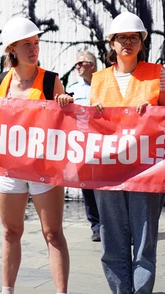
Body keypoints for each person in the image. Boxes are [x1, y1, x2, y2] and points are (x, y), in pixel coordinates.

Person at [0, 16, 73, 294]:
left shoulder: (50, 80)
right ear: (11, 48)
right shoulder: (0, 81)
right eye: (26, 44)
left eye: (36, 43)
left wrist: (65, 103)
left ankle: (61, 292)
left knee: (53, 233)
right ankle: (7, 290)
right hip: (8, 168)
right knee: (11, 232)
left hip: (44, 168)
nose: (34, 48)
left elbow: (66, 120)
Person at [90, 11, 165, 294]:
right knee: (112, 239)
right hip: (108, 170)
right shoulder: (98, 79)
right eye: (122, 37)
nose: (128, 42)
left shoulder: (157, 73)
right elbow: (88, 121)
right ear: (111, 43)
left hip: (146, 169)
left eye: (133, 37)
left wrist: (156, 112)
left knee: (145, 239)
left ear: (141, 42)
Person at [65, 51, 101, 242]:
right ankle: (96, 227)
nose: (77, 66)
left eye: (81, 63)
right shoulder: (72, 88)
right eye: (77, 64)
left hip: (102, 143)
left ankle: (112, 226)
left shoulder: (104, 85)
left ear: (92, 65)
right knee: (87, 186)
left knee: (104, 186)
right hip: (82, 144)